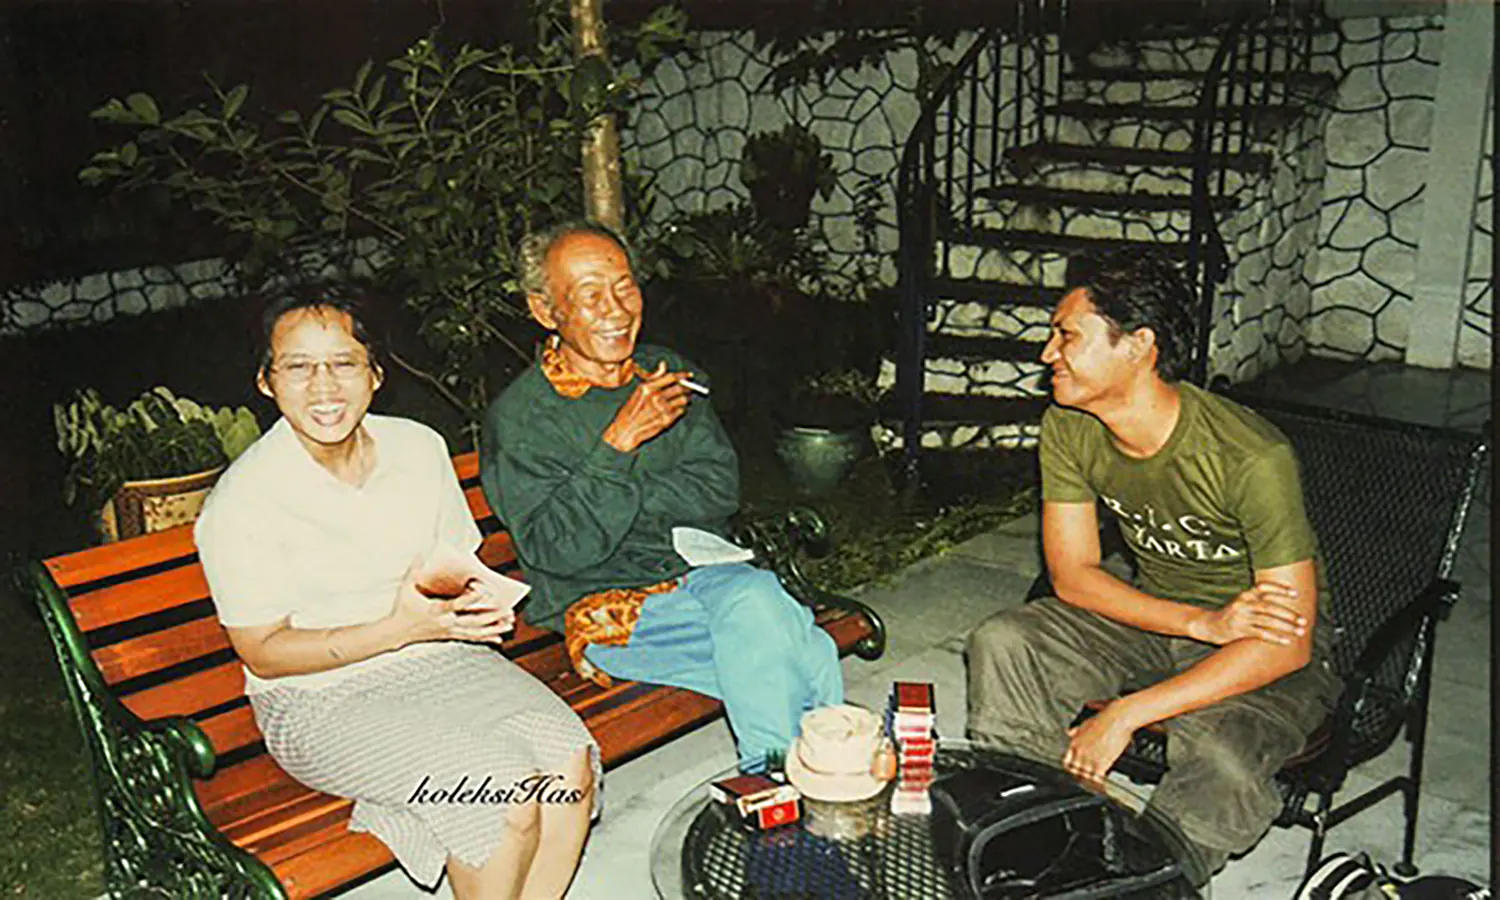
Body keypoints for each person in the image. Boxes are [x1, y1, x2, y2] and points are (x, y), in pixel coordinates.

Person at [195, 286, 597, 900]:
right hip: (317, 700)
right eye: (298, 367)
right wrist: (400, 629)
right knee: (501, 794)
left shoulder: (417, 448)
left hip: (441, 659)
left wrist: (469, 607)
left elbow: (449, 568)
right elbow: (264, 654)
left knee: (567, 767)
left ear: (375, 374)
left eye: (344, 362)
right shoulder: (244, 500)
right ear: (265, 382)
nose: (323, 386)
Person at [964, 250, 1344, 881]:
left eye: (1067, 336)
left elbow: (1288, 643)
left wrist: (1126, 713)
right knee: (1007, 641)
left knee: (1222, 756)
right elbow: (1073, 575)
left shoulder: (1250, 457)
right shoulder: (1070, 425)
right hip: (1166, 613)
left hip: (1261, 646)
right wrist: (1200, 622)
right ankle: (1036, 835)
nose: (1047, 354)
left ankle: (1149, 882)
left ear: (1138, 346)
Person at [479, 220, 843, 775]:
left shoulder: (669, 375)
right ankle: (807, 776)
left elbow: (718, 488)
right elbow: (560, 550)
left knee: (763, 616)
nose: (616, 309)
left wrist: (617, 499)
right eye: (590, 295)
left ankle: (780, 786)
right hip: (607, 606)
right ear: (545, 311)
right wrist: (618, 445)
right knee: (799, 645)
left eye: (625, 286)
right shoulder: (524, 417)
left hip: (701, 575)